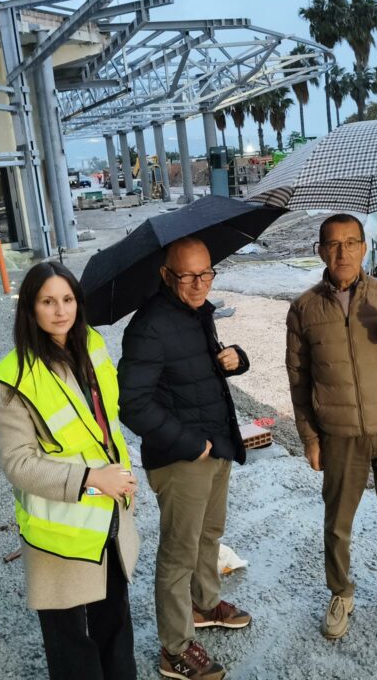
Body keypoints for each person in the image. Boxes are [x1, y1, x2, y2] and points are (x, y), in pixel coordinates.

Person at [0, 261, 139, 680]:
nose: (61, 311)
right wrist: (94, 480)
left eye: (68, 299)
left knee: (115, 626)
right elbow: (18, 465)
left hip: (106, 510)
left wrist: (119, 476)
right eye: (48, 301)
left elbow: (104, 423)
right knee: (70, 646)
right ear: (30, 309)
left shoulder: (91, 345)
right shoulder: (12, 378)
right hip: (60, 532)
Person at [286, 213, 377, 640]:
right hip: (339, 433)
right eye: (333, 244)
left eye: (352, 243)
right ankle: (341, 592)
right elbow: (298, 378)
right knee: (337, 523)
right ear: (320, 250)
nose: (343, 252)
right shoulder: (304, 308)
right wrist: (310, 438)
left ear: (365, 248)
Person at [119, 236, 251, 680]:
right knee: (178, 553)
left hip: (215, 445)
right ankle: (174, 649)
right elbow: (133, 405)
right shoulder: (149, 326)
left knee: (209, 536)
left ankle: (205, 604)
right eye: (188, 276)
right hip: (181, 458)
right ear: (165, 275)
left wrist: (238, 360)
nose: (200, 284)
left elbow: (197, 371)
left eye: (207, 273)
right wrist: (191, 444)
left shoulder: (198, 313)